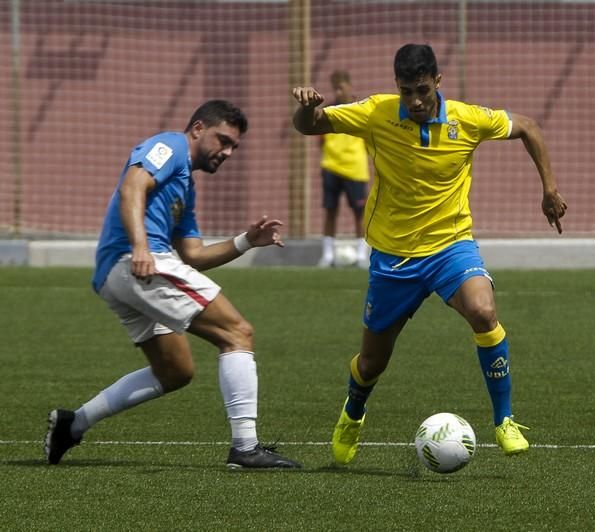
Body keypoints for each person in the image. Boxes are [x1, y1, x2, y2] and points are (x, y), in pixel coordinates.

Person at [292, 44, 567, 464]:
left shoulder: (467, 119)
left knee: (484, 312)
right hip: (394, 257)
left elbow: (529, 126)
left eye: (422, 90)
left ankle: (505, 420)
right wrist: (308, 109)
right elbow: (310, 127)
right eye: (407, 92)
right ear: (396, 87)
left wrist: (548, 189)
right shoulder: (376, 113)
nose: (416, 101)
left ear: (438, 81)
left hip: (451, 246)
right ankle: (353, 412)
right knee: (371, 363)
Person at [45, 100, 301, 469]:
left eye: (234, 147)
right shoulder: (169, 146)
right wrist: (140, 247)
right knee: (237, 332)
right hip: (136, 262)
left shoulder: (185, 187)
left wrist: (246, 241)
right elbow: (133, 186)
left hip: (118, 273)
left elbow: (194, 254)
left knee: (175, 371)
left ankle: (73, 424)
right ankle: (245, 448)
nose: (227, 152)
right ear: (198, 128)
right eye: (223, 140)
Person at [318, 70, 370, 268]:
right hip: (331, 167)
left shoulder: (360, 109)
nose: (338, 92)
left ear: (349, 86)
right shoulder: (328, 111)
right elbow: (321, 141)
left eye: (341, 87)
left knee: (359, 212)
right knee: (330, 210)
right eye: (335, 88)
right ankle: (327, 255)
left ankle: (361, 254)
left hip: (355, 169)